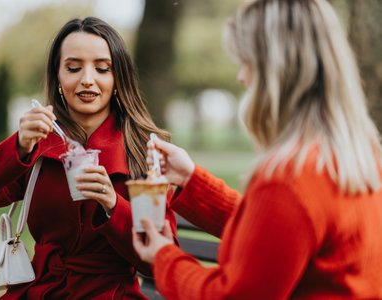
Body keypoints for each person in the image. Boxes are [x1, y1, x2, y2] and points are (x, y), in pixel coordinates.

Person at [132, 0, 382, 299]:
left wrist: (164, 257)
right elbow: (278, 237)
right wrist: (192, 180)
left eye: (246, 62)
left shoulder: (289, 179)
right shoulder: (358, 153)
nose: (241, 76)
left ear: (274, 70)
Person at [0, 17, 177, 299]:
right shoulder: (38, 144)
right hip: (40, 289)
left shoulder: (144, 151)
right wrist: (18, 147)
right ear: (58, 77)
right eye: (73, 68)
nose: (87, 79)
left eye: (102, 68)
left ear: (117, 77)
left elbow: (157, 261)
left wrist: (112, 204)